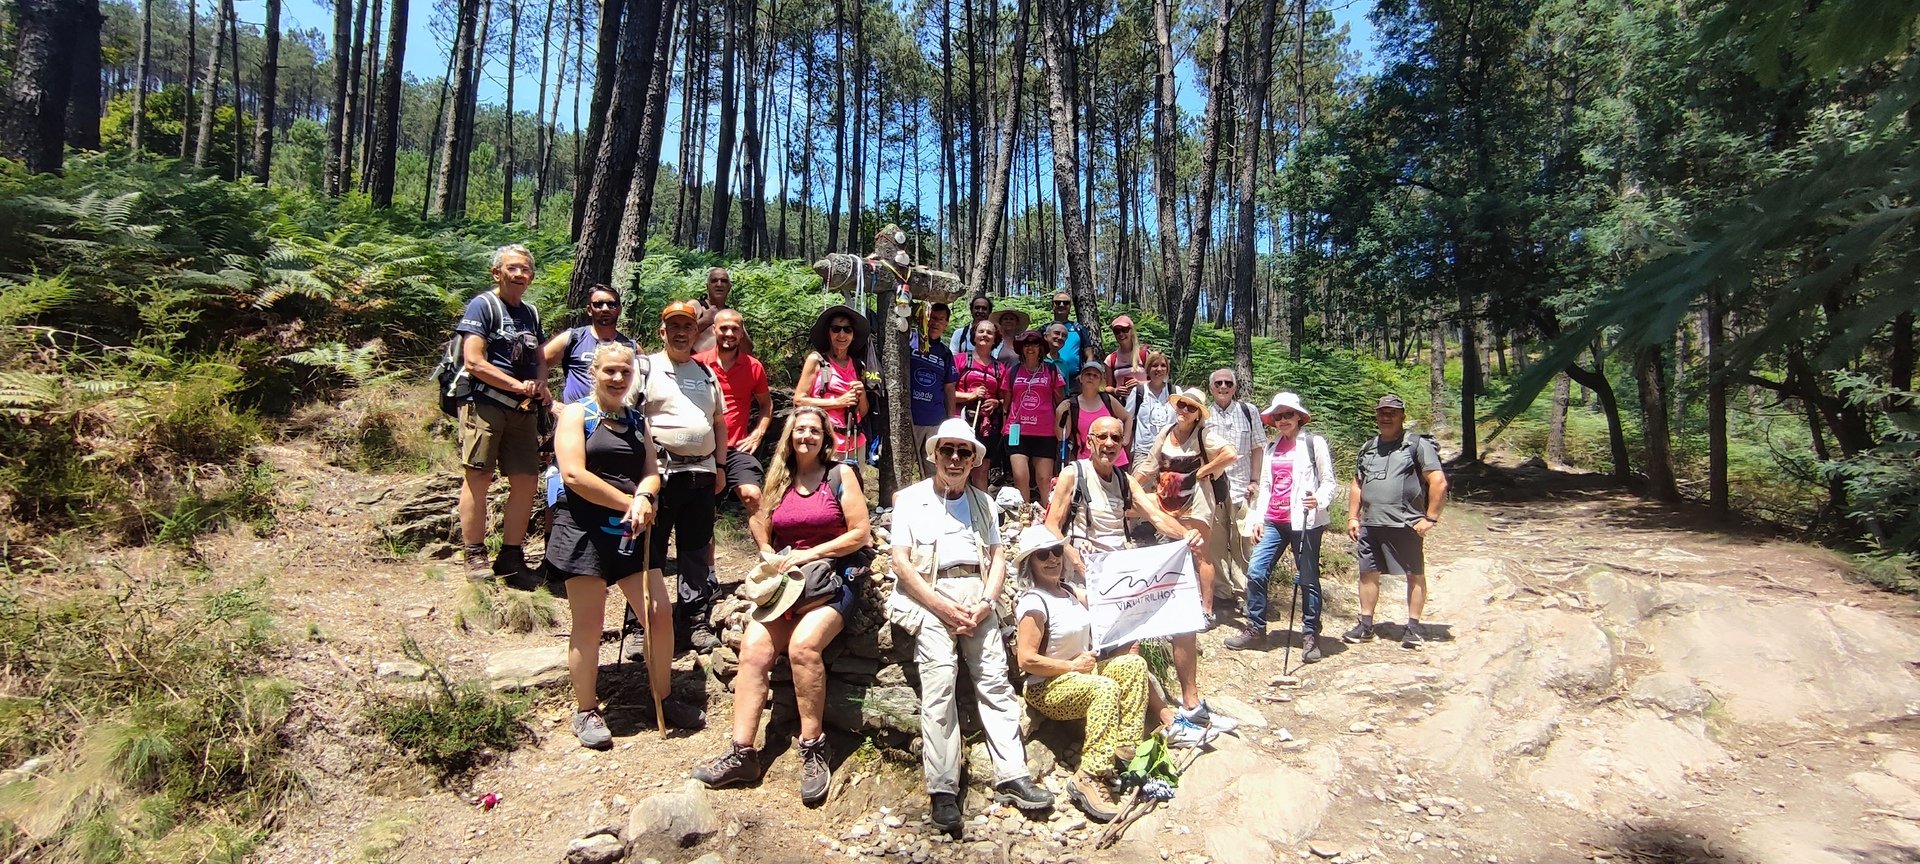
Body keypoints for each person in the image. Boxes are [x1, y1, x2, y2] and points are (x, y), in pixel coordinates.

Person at [693, 408, 871, 805]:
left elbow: (861, 533)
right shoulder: (779, 478)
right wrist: (767, 550)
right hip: (788, 584)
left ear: (826, 439)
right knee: (754, 650)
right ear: (790, 436)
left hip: (836, 577)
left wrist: (809, 555)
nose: (806, 437)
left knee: (803, 648)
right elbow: (760, 519)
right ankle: (742, 753)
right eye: (799, 430)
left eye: (814, 431)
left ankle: (813, 746)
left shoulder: (840, 475)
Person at [887, 418, 1054, 835]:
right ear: (936, 455)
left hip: (976, 596)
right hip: (931, 594)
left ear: (974, 458)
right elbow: (901, 563)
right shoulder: (909, 500)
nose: (956, 459)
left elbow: (997, 556)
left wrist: (986, 602)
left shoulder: (984, 502)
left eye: (965, 452)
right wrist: (939, 605)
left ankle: (1012, 775)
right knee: (940, 682)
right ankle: (943, 789)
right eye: (949, 451)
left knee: (995, 680)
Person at [1046, 417, 1237, 748]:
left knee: (1183, 614)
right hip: (1088, 575)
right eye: (1102, 437)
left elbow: (1157, 515)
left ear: (1122, 444)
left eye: (1115, 438)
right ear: (1089, 441)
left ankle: (1191, 707)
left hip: (1123, 570)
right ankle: (1167, 720)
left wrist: (1187, 535)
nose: (1108, 443)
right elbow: (1051, 525)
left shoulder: (1124, 480)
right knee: (1128, 647)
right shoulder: (1073, 474)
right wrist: (1074, 558)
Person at [545, 343, 700, 745]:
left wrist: (646, 496)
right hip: (583, 530)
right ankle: (586, 710)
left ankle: (661, 697)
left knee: (658, 611)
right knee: (590, 624)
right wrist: (629, 502)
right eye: (610, 371)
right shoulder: (576, 414)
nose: (617, 378)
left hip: (631, 532)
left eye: (625, 372)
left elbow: (651, 470)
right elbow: (574, 474)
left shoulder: (636, 420)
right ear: (594, 372)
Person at [1010, 525, 1146, 823]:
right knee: (1105, 688)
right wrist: (1072, 666)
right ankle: (1090, 775)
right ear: (1030, 562)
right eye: (1042, 554)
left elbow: (1109, 599)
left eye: (1056, 551)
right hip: (1048, 686)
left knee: (1134, 666)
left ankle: (1123, 750)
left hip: (1084, 673)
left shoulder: (1069, 591)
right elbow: (1027, 659)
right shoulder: (1034, 602)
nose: (1052, 559)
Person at [456, 244, 550, 581]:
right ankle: (474, 554)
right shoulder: (483, 306)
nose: (521, 274)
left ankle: (511, 556)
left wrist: (539, 382)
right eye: (513, 268)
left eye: (526, 269)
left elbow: (539, 356)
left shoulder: (531, 313)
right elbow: (474, 360)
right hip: (485, 404)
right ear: (497, 273)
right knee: (478, 476)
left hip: (522, 410)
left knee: (526, 480)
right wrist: (516, 386)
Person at [640, 300, 729, 653]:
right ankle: (641, 624)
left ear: (696, 332)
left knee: (694, 551)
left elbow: (719, 423)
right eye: (674, 326)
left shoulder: (705, 373)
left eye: (687, 327)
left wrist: (720, 465)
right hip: (659, 475)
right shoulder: (645, 368)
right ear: (662, 332)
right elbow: (629, 420)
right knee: (652, 552)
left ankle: (694, 620)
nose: (681, 332)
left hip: (701, 474)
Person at [1228, 393, 1337, 657]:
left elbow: (1328, 481)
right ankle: (1256, 628)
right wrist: (1257, 518)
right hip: (1274, 520)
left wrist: (1319, 500)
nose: (1283, 420)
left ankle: (1310, 633)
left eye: (1288, 414)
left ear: (1299, 416)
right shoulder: (1271, 447)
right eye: (1278, 416)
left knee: (1308, 577)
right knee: (1256, 571)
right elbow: (1265, 486)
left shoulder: (1313, 443)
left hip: (1306, 521)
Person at [1344, 395, 1449, 648]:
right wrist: (1352, 516)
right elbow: (1358, 483)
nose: (1386, 417)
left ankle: (1413, 628)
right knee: (1367, 573)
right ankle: (1366, 625)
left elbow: (1438, 481)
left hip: (1406, 523)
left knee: (1414, 574)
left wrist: (1431, 518)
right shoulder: (1368, 447)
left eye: (1392, 412)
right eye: (1382, 412)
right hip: (1371, 523)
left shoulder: (1416, 445)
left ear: (1403, 415)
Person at [1135, 388, 1234, 624]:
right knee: (1170, 551)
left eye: (1191, 408)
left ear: (1198, 414)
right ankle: (1171, 603)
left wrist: (1203, 471)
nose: (1184, 410)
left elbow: (1230, 454)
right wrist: (1126, 490)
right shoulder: (1166, 433)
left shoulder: (1204, 436)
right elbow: (1149, 466)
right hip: (1165, 500)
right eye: (1182, 405)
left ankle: (1206, 611)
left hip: (1196, 503)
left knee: (1201, 554)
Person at [694, 309, 773, 515]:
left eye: (735, 329)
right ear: (714, 330)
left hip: (736, 449)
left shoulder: (753, 367)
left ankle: (768, 547)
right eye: (724, 328)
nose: (729, 333)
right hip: (702, 448)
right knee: (703, 513)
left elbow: (766, 404)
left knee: (752, 495)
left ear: (741, 333)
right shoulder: (697, 364)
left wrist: (758, 432)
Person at [1204, 370, 1268, 616]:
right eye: (1218, 383)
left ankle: (1245, 593)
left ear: (1235, 387)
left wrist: (1256, 479)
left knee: (1242, 543)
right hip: (1214, 487)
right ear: (1211, 388)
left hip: (1243, 487)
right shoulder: (1204, 415)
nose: (1223, 387)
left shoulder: (1248, 412)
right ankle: (1222, 592)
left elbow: (1258, 447)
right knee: (1216, 542)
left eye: (1228, 383)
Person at [794, 305, 871, 465]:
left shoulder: (858, 365)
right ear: (828, 333)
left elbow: (862, 412)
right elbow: (799, 400)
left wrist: (862, 394)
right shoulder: (816, 361)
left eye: (847, 329)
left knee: (852, 489)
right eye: (836, 329)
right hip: (823, 441)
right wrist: (837, 402)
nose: (841, 334)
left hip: (855, 443)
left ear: (853, 335)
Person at [542, 284, 638, 404]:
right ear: (589, 310)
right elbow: (537, 363)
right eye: (598, 304)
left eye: (611, 304)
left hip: (617, 419)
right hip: (575, 418)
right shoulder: (572, 338)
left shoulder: (632, 347)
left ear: (619, 310)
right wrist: (551, 404)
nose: (605, 309)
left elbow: (643, 385)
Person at [1000, 329, 1066, 504]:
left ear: (1041, 348)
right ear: (1021, 348)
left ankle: (1049, 517)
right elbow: (1006, 403)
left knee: (1044, 479)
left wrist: (1064, 428)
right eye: (1026, 344)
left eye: (1034, 343)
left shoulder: (1051, 370)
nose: (1030, 347)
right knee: (1020, 477)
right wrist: (1004, 427)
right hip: (1017, 431)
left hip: (1045, 432)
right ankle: (1025, 519)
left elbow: (1061, 401)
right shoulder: (1013, 371)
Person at [953, 318, 1008, 490]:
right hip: (961, 421)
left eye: (989, 332)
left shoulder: (1000, 368)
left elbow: (1006, 399)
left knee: (982, 468)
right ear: (974, 336)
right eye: (981, 331)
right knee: (958, 463)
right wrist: (970, 396)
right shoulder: (960, 360)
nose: (985, 335)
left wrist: (996, 403)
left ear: (995, 339)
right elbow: (946, 393)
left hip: (988, 425)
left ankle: (981, 510)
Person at [909, 302, 960, 473]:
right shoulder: (910, 341)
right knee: (904, 468)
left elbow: (949, 388)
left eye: (940, 319)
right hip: (910, 418)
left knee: (933, 469)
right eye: (932, 318)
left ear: (946, 324)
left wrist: (951, 420)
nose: (935, 323)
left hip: (935, 420)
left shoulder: (945, 353)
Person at [1055, 360, 1131, 469]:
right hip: (1087, 463)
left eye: (1095, 375)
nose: (1091, 377)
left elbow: (1127, 417)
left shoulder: (1107, 399)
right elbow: (1062, 436)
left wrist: (1125, 440)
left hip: (1116, 461)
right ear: (1081, 378)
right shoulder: (1072, 404)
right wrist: (1059, 413)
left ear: (1101, 381)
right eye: (1088, 374)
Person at [1122, 351, 1176, 468]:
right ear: (1148, 369)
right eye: (1154, 365)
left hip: (1170, 451)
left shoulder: (1175, 392)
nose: (1159, 369)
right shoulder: (1138, 392)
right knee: (1139, 485)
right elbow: (1127, 419)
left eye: (1163, 365)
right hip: (1143, 452)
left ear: (1167, 369)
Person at [1047, 291, 1097, 379]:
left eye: (1066, 303)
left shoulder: (1079, 329)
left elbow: (1089, 354)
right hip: (1048, 378)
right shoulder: (1045, 329)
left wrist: (1086, 373)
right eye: (1058, 302)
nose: (1062, 305)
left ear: (1070, 307)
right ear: (1053, 306)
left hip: (1075, 381)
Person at [690, 267, 734, 355]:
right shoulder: (696, 306)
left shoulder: (731, 314)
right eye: (714, 281)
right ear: (707, 286)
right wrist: (705, 321)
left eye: (724, 281)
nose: (719, 284)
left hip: (724, 366)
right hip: (697, 365)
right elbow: (679, 334)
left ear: (729, 287)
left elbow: (748, 349)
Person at [1104, 315, 1149, 392]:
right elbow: (1108, 387)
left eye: (1125, 330)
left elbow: (1157, 382)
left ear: (1131, 331)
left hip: (1144, 401)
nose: (1121, 334)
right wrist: (1115, 391)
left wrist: (1140, 384)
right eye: (1117, 331)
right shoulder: (1110, 359)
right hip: (1122, 403)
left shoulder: (1145, 355)